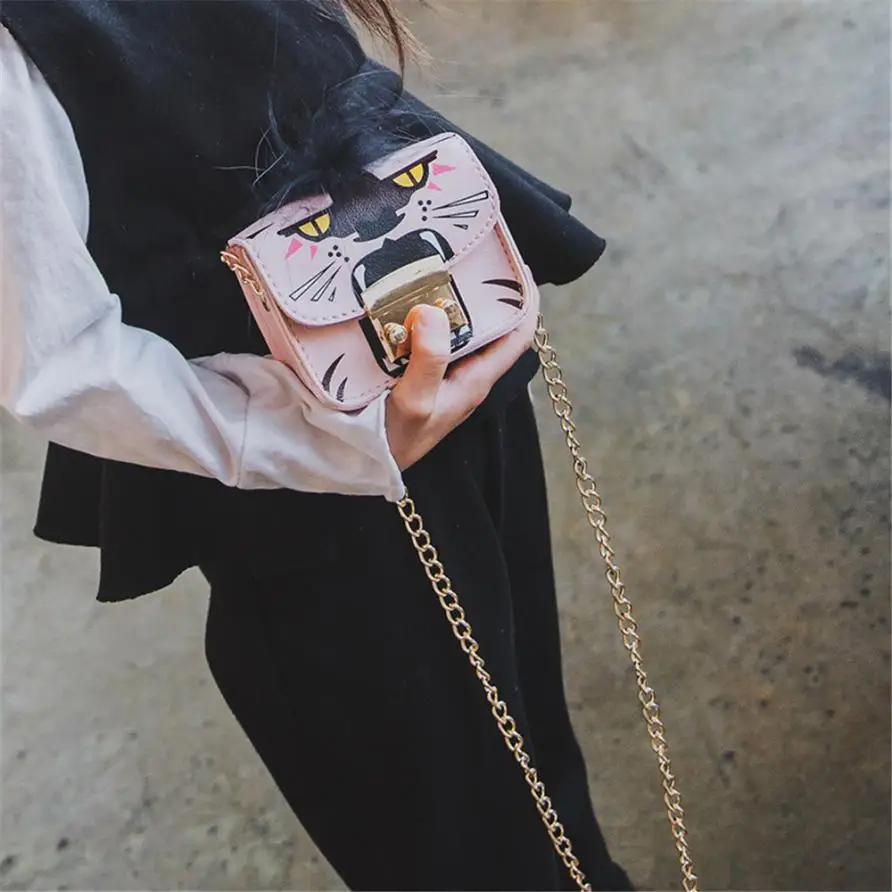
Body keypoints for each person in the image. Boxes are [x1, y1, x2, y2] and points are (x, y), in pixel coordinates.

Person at [0, 1, 633, 889]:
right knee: (448, 825)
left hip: (452, 361)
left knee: (535, 749)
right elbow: (58, 355)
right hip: (316, 487)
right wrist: (321, 440)